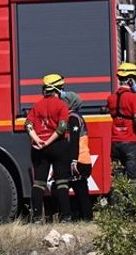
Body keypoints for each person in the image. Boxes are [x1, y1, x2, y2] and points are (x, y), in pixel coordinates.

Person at [26, 75, 71, 222]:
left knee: (38, 183)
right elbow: (62, 127)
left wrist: (37, 139)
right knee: (62, 182)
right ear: (58, 89)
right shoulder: (62, 105)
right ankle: (66, 217)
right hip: (58, 146)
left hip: (39, 148)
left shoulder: (36, 105)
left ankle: (37, 218)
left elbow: (28, 125)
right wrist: (49, 141)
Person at [106, 62, 136, 186]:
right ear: (130, 80)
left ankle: (118, 203)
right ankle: (132, 204)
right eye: (135, 79)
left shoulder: (111, 98)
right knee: (133, 179)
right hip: (131, 142)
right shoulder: (133, 97)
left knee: (118, 179)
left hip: (115, 143)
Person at [62, 91, 92, 222]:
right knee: (80, 190)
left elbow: (74, 141)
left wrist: (72, 161)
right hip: (81, 159)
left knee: (80, 191)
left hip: (79, 159)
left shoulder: (73, 118)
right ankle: (83, 217)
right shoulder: (77, 116)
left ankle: (85, 218)